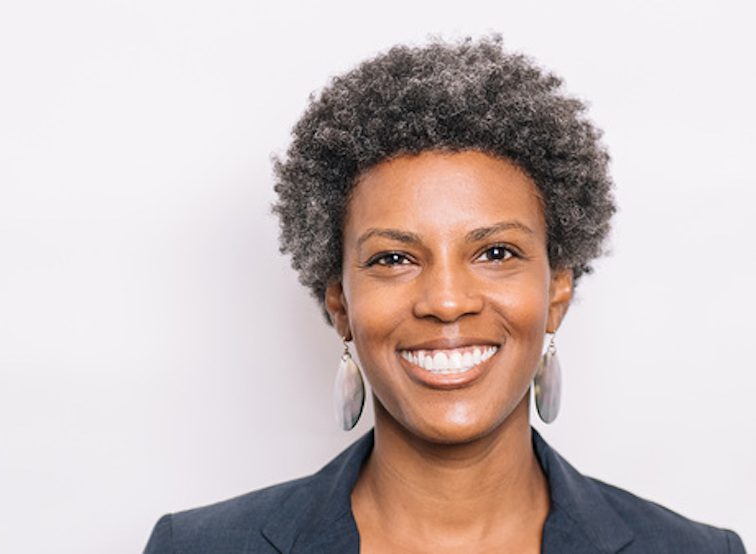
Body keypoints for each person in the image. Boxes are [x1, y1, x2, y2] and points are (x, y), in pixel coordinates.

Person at [143, 36, 745, 553]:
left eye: (495, 253)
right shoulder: (200, 547)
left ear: (557, 289)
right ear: (340, 305)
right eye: (395, 258)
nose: (448, 301)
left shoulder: (697, 551)